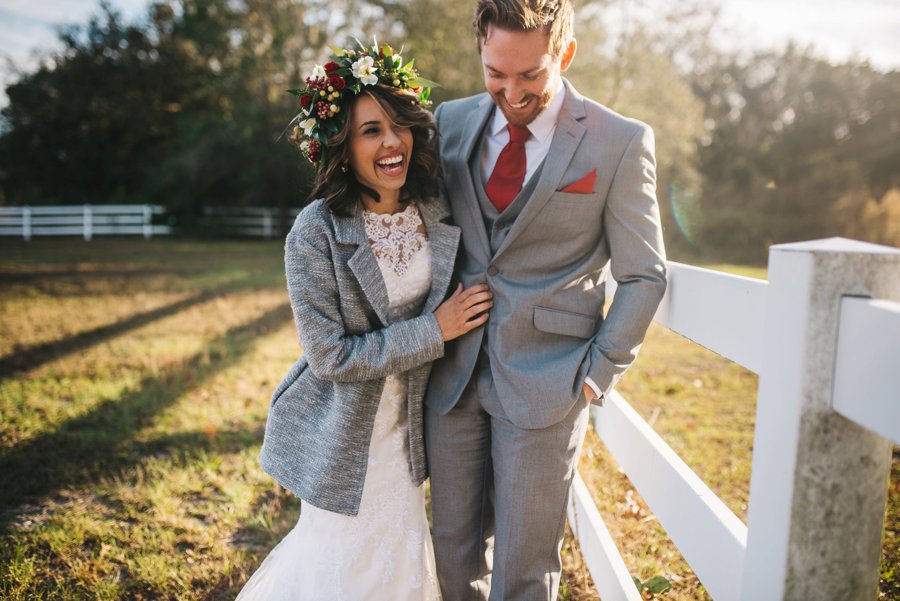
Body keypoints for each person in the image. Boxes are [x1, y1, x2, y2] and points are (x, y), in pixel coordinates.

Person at [423, 0, 668, 598]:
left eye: (530, 74)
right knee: (452, 559)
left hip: (549, 381)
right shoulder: (448, 122)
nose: (511, 91)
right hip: (452, 376)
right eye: (495, 73)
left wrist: (595, 375)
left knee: (525, 571)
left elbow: (644, 274)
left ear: (566, 52)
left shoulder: (619, 141)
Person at [237, 41, 492, 601]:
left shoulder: (436, 208)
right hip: (343, 436)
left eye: (399, 124)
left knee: (399, 561)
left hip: (412, 433)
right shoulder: (315, 233)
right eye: (370, 130)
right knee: (340, 567)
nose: (392, 141)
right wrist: (436, 330)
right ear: (342, 147)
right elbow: (330, 356)